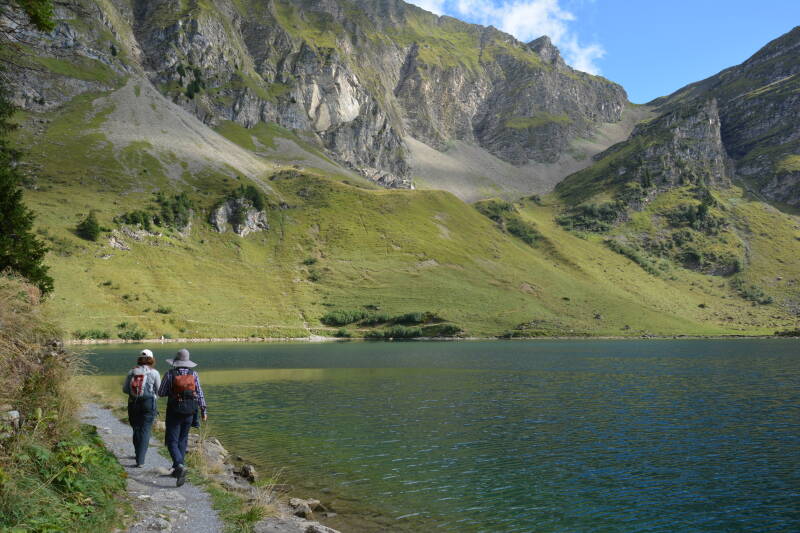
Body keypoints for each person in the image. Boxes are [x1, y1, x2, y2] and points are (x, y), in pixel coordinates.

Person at [158, 348, 207, 487]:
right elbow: (200, 393)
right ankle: (178, 468)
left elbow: (161, 392)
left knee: (171, 440)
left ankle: (179, 465)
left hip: (174, 411)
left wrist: (171, 391)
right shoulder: (194, 374)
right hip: (190, 411)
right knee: (183, 439)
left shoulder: (169, 374)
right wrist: (203, 410)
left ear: (176, 361)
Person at [122, 349, 161, 468]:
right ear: (151, 359)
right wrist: (154, 397)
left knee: (136, 429)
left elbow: (125, 389)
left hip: (133, 403)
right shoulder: (154, 373)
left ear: (139, 359)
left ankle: (137, 453)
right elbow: (159, 391)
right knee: (145, 430)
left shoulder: (132, 371)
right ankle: (140, 460)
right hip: (148, 403)